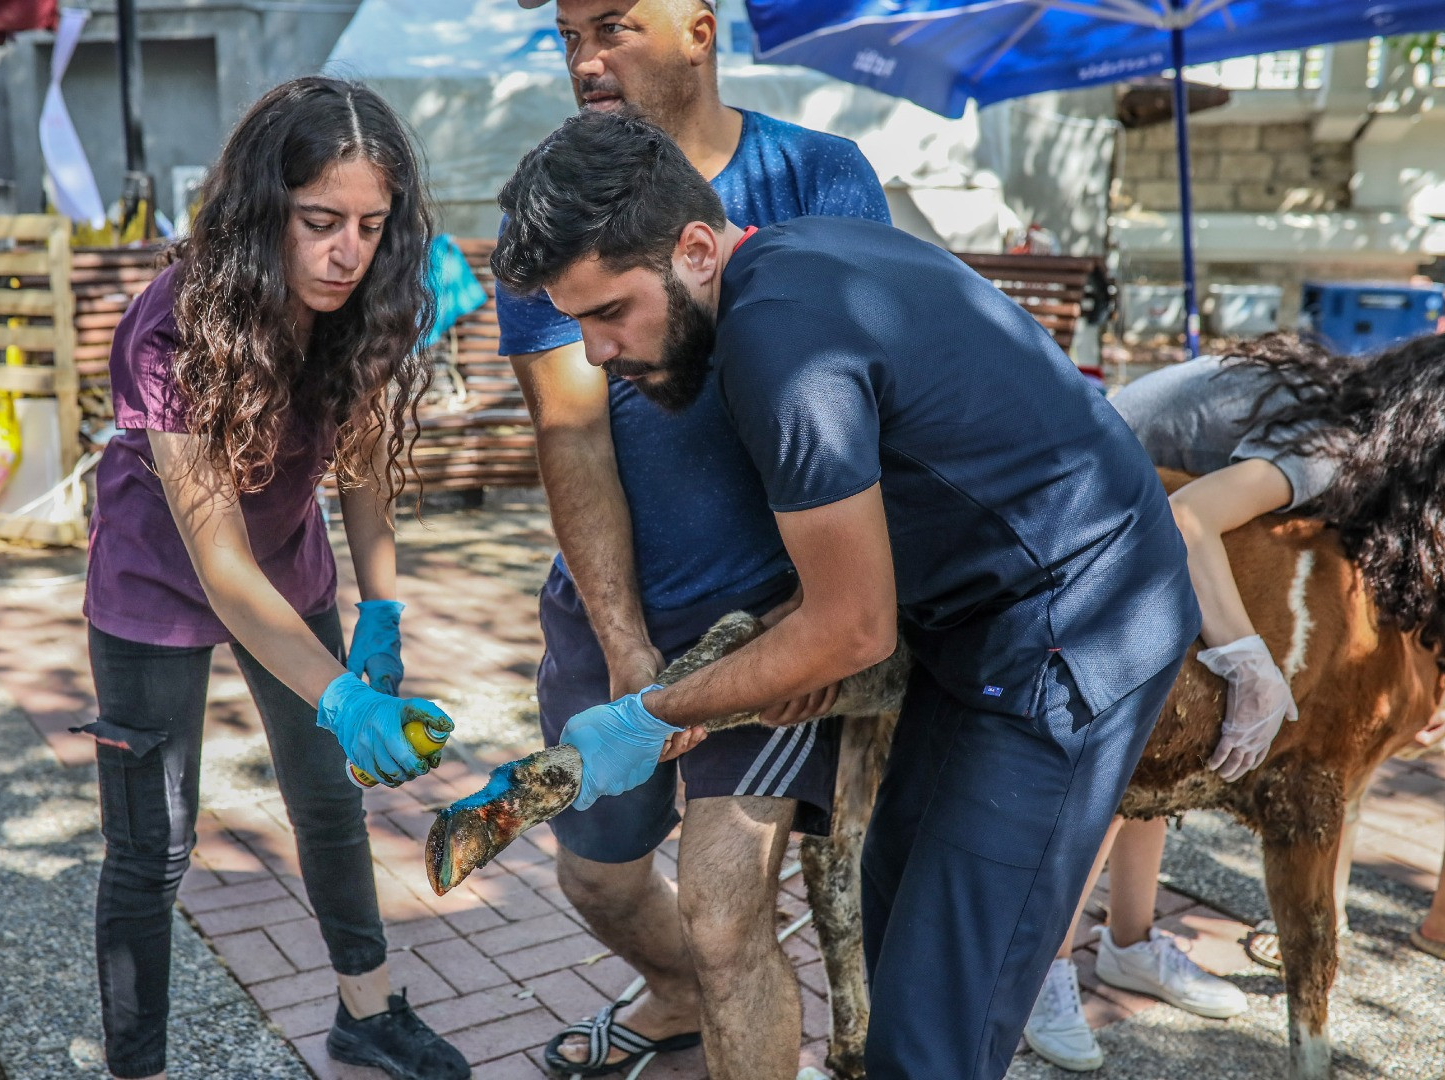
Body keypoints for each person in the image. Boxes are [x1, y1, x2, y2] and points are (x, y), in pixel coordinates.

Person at [492, 109, 1200, 1080]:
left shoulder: (781, 347)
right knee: (892, 899)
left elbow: (852, 629)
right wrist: (791, 638)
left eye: (611, 312)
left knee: (937, 1018)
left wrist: (646, 718)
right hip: (976, 615)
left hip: (1077, 621)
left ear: (695, 249)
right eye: (578, 322)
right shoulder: (786, 261)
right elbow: (845, 597)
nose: (598, 351)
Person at [495, 2, 893, 1076]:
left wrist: (824, 626)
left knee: (724, 922)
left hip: (770, 620)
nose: (585, 59)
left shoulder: (820, 173)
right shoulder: (555, 209)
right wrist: (623, 645)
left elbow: (878, 405)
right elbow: (570, 436)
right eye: (569, 33)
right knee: (601, 881)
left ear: (698, 28)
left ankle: (719, 997)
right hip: (608, 602)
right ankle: (673, 999)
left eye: (613, 25)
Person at [78, 77, 468, 1080]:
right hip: (157, 584)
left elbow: (369, 462)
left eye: (372, 225)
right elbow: (217, 564)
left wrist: (381, 606)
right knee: (152, 844)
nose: (348, 251)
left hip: (290, 568)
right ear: (264, 211)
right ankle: (138, 1066)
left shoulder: (365, 301)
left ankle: (367, 1014)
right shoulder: (170, 327)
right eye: (320, 221)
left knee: (330, 801)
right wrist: (339, 692)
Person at [1024, 331, 1445, 1070]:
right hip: (1089, 520)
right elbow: (1190, 517)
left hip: (1137, 511)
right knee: (1129, 757)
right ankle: (1042, 974)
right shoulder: (1332, 448)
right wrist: (1249, 660)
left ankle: (1128, 944)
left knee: (1153, 765)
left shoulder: (1352, 421)